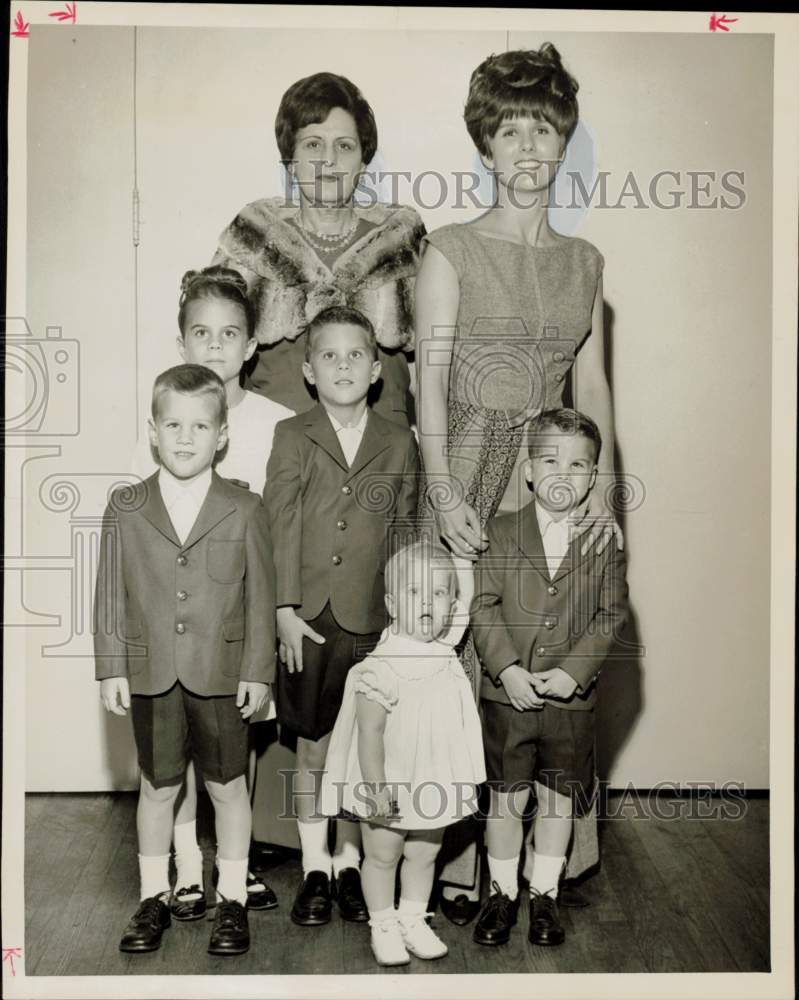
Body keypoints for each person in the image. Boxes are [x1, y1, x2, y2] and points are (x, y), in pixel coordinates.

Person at [414, 42, 622, 923]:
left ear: (562, 143)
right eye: (509, 132)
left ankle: (542, 872)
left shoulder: (585, 262)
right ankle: (455, 872)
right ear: (485, 147)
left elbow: (596, 387)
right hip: (464, 468)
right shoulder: (450, 247)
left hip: (556, 481)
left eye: (542, 131)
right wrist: (444, 492)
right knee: (466, 664)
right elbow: (426, 378)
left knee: (556, 657)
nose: (528, 150)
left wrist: (605, 489)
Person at [95, 364, 276, 956]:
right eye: (172, 423)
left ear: (221, 435)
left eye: (200, 425)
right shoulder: (125, 506)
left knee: (228, 789)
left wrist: (257, 671)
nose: (185, 436)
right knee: (157, 785)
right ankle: (153, 896)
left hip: (223, 676)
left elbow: (260, 598)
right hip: (151, 672)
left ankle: (232, 900)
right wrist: (111, 666)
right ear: (152, 429)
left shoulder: (245, 508)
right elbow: (107, 592)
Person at [132, 267, 293, 918]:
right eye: (201, 333)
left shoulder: (277, 422)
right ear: (182, 343)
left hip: (243, 606)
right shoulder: (168, 414)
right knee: (171, 760)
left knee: (232, 747)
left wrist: (276, 613)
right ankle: (183, 868)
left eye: (230, 334)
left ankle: (237, 864)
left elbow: (280, 523)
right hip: (174, 621)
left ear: (252, 345)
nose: (215, 346)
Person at [264, 305, 419, 928]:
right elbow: (278, 518)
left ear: (377, 369)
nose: (344, 365)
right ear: (308, 370)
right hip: (309, 617)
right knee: (314, 747)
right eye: (329, 355)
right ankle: (314, 868)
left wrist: (404, 616)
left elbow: (406, 525)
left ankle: (351, 863)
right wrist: (281, 608)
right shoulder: (292, 434)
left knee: (364, 749)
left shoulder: (398, 439)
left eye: (356, 354)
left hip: (373, 619)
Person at [470, 408, 628, 947]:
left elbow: (611, 614)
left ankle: (544, 894)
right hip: (507, 695)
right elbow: (483, 606)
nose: (564, 473)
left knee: (559, 800)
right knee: (505, 799)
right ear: (530, 470)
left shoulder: (605, 540)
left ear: (593, 475)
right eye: (551, 460)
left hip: (569, 701)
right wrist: (508, 669)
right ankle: (500, 894)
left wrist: (573, 673)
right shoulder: (498, 531)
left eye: (579, 464)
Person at [212, 71, 425, 426]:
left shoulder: (402, 241)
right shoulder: (253, 236)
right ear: (290, 161)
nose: (329, 160)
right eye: (313, 144)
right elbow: (210, 358)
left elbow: (431, 370)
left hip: (383, 457)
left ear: (363, 163)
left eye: (344, 146)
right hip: (276, 456)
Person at [320, 540, 486, 966]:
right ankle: (383, 924)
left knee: (425, 851)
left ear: (451, 604)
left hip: (432, 773)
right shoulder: (381, 666)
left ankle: (413, 918)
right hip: (388, 777)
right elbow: (370, 735)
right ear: (393, 604)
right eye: (415, 593)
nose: (427, 602)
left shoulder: (444, 651)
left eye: (438, 593)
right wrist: (376, 788)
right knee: (383, 853)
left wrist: (462, 563)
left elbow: (465, 600)